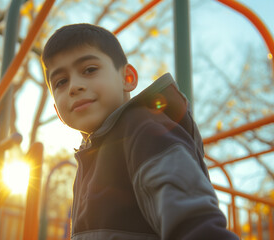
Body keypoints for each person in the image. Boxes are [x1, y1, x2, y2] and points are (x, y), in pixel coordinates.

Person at [41, 23, 238, 240]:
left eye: (89, 70)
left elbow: (194, 224)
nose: (74, 86)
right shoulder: (90, 157)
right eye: (61, 82)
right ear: (58, 113)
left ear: (128, 78)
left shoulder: (145, 129)